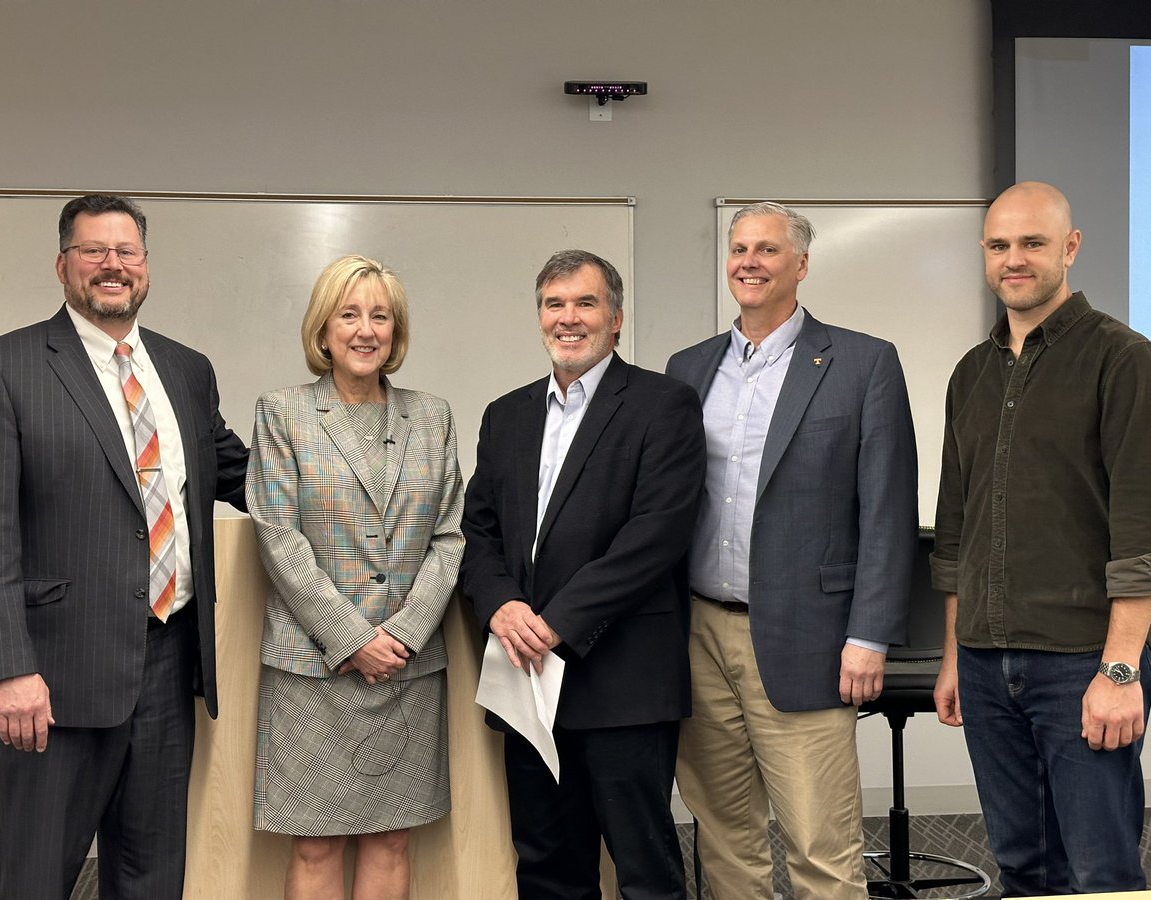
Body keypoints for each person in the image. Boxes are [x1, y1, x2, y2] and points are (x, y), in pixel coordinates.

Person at [0, 194, 249, 898]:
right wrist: (6, 669)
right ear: (63, 265)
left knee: (152, 878)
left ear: (146, 268)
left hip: (170, 666)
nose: (112, 266)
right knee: (38, 879)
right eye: (94, 252)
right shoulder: (0, 368)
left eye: (127, 253)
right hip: (51, 678)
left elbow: (241, 474)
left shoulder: (186, 369)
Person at [666, 202, 918, 899]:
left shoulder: (863, 363)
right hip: (696, 634)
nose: (749, 261)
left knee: (820, 846)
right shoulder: (688, 369)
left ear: (800, 265)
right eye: (739, 247)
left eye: (768, 250)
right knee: (722, 837)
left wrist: (869, 636)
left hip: (809, 635)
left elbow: (888, 513)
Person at [460, 249, 706, 899]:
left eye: (585, 303)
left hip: (623, 680)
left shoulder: (665, 405)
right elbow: (478, 533)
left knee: (644, 872)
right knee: (546, 867)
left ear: (616, 318)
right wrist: (502, 608)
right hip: (526, 680)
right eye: (554, 304)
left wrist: (556, 624)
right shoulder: (505, 415)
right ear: (539, 316)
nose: (568, 319)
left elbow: (655, 536)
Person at [931, 181, 1151, 895]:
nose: (1014, 259)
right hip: (985, 662)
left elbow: (1140, 533)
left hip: (1081, 664)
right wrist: (953, 656)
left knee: (1098, 874)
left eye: (1032, 243)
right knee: (1022, 868)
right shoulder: (971, 374)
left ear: (1071, 248)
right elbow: (957, 530)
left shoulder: (1124, 360)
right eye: (999, 245)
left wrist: (1121, 671)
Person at [247, 254, 464, 900]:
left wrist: (402, 635)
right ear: (323, 330)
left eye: (381, 316)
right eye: (350, 314)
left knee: (392, 837)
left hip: (408, 664)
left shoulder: (433, 417)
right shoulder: (283, 413)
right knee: (315, 843)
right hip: (315, 671)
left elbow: (451, 536)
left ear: (396, 332)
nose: (366, 329)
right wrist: (352, 639)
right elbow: (278, 537)